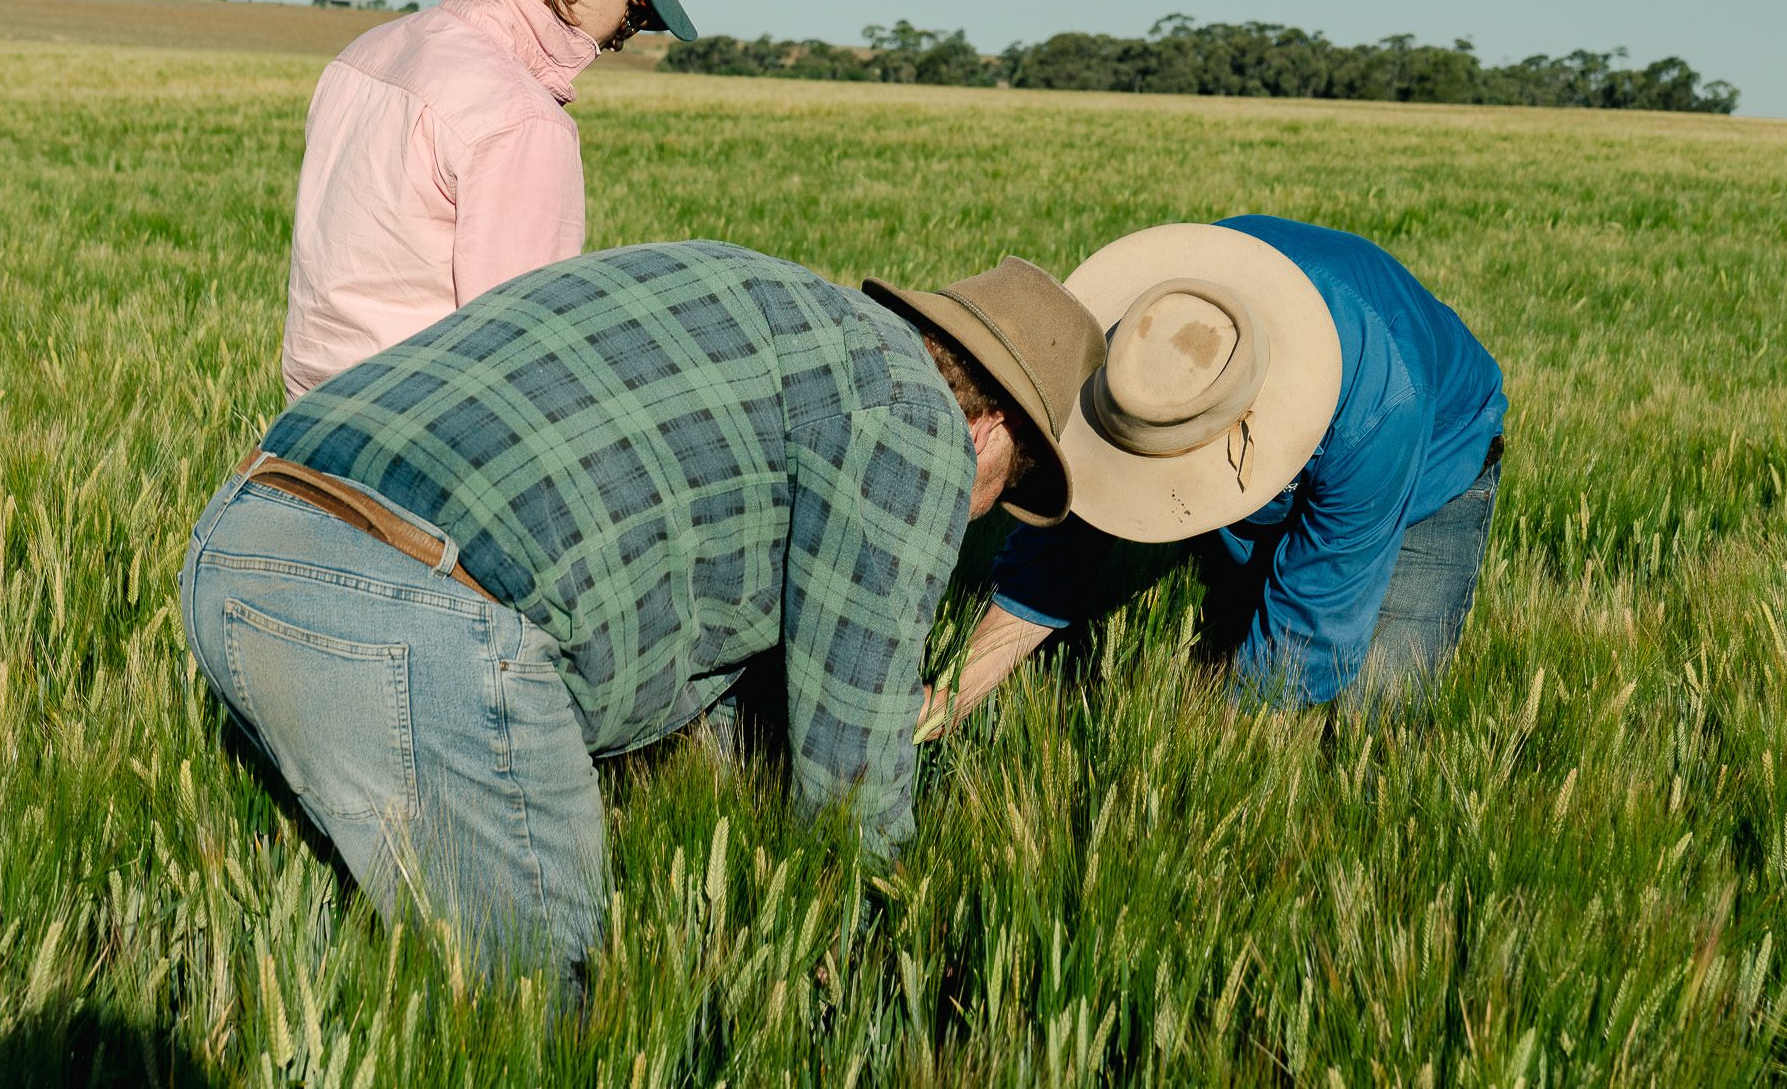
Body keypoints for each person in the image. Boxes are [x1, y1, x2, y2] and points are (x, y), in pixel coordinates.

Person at [182, 240, 1104, 978]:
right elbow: (851, 766)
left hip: (238, 537)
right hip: (423, 615)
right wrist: (871, 958)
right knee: (554, 1015)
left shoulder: (773, 308)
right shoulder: (917, 419)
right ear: (990, 434)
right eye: (995, 496)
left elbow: (708, 599)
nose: (964, 517)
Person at [922, 215, 1507, 729]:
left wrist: (1207, 766)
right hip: (1334, 438)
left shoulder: (1379, 409)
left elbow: (1307, 634)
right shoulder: (1144, 347)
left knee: (1377, 707)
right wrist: (950, 699)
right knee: (1227, 653)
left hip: (1433, 463)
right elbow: (1056, 552)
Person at [280, 0, 701, 399]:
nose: (621, 39)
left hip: (306, 423)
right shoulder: (524, 121)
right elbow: (521, 365)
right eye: (635, 14)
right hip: (426, 433)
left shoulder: (363, 55)